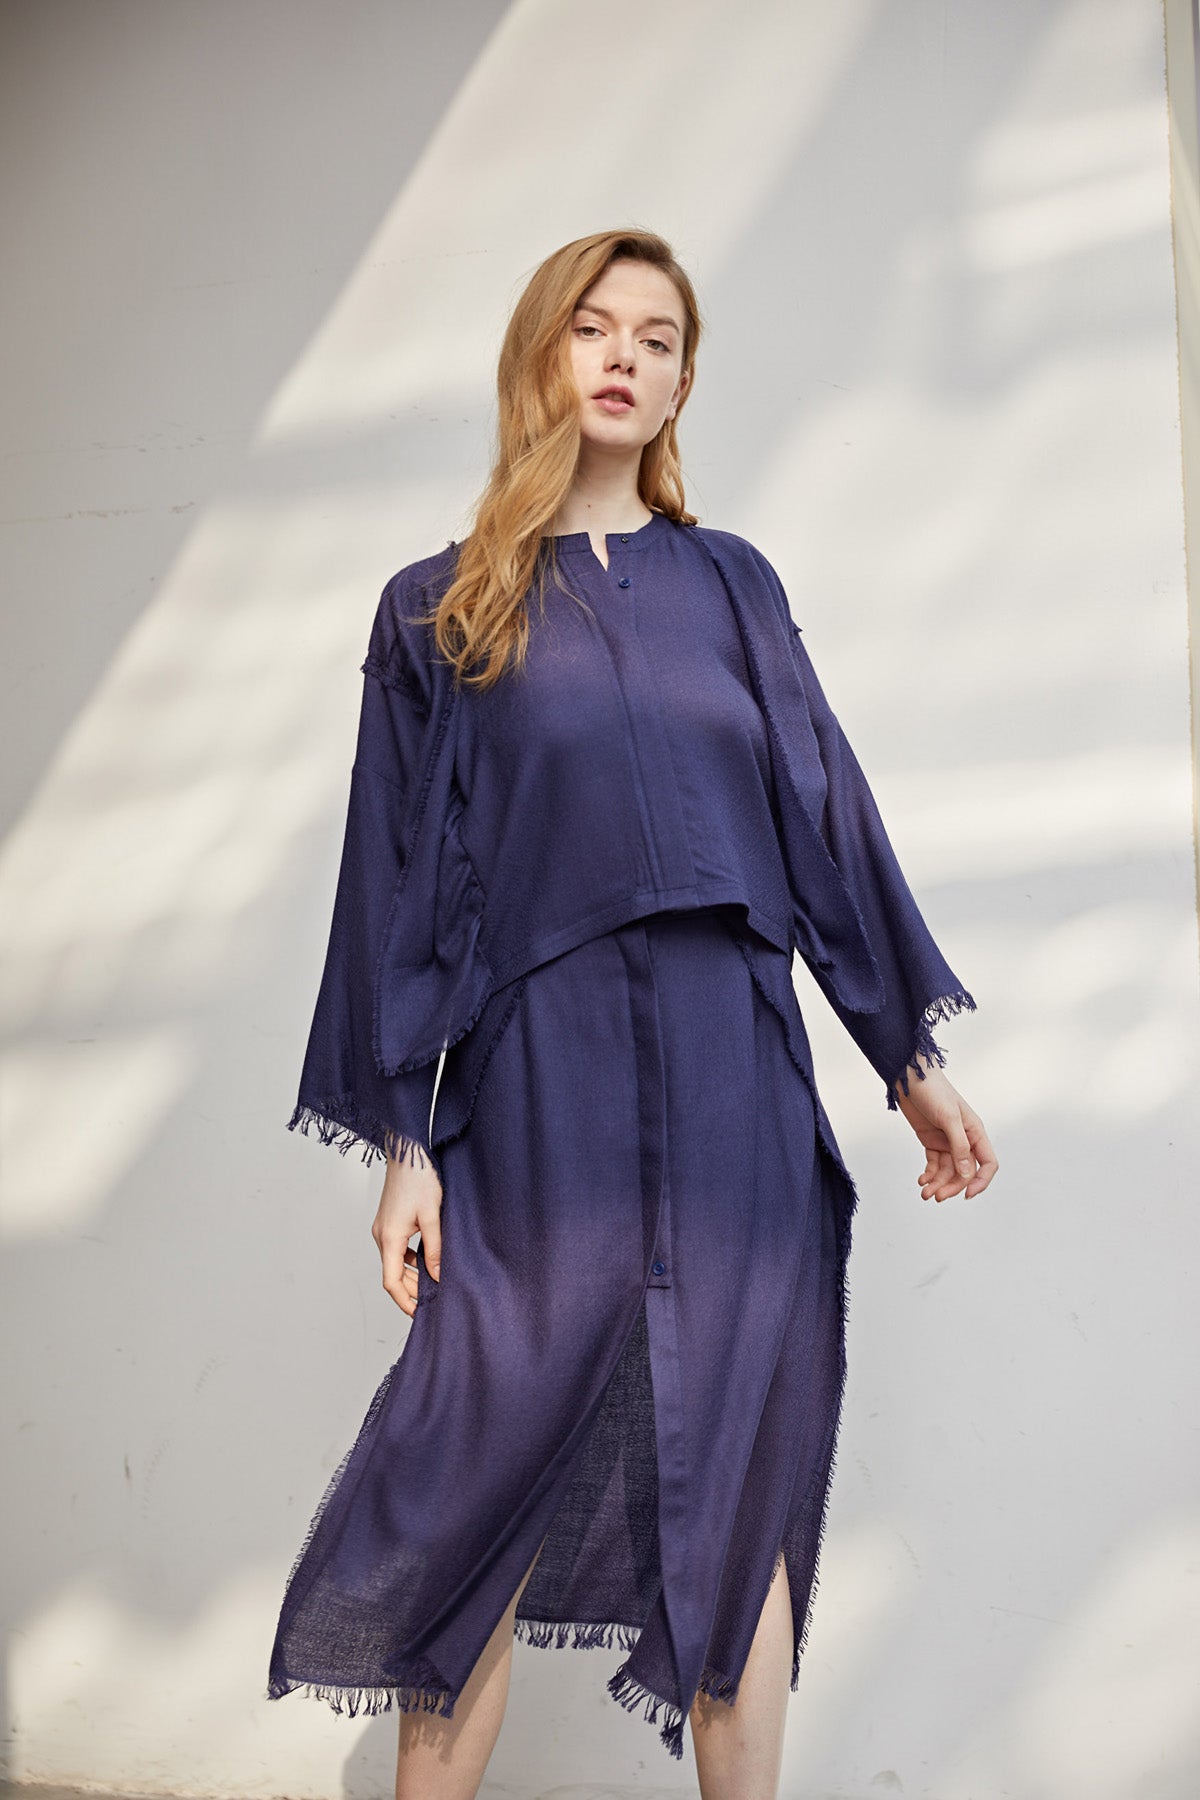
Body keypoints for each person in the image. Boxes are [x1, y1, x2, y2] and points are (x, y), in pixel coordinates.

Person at [266, 228, 998, 1799]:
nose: (625, 357)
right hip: (540, 1083)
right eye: (594, 327)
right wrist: (408, 1142)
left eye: (659, 339)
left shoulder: (734, 584)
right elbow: (391, 888)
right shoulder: (439, 612)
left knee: (737, 1489)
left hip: (736, 1067)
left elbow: (824, 814)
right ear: (540, 354)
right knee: (469, 1482)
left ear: (678, 386)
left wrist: (906, 1059)